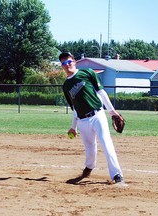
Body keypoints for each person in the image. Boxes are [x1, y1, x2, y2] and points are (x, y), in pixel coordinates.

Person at [59, 51, 124, 184]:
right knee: (90, 148)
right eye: (64, 63)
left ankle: (116, 175)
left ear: (74, 62)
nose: (67, 64)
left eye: (69, 61)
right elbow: (75, 109)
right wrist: (73, 127)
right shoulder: (66, 86)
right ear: (62, 66)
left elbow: (101, 92)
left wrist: (112, 111)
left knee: (106, 143)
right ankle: (89, 167)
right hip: (82, 120)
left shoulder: (87, 73)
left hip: (97, 115)